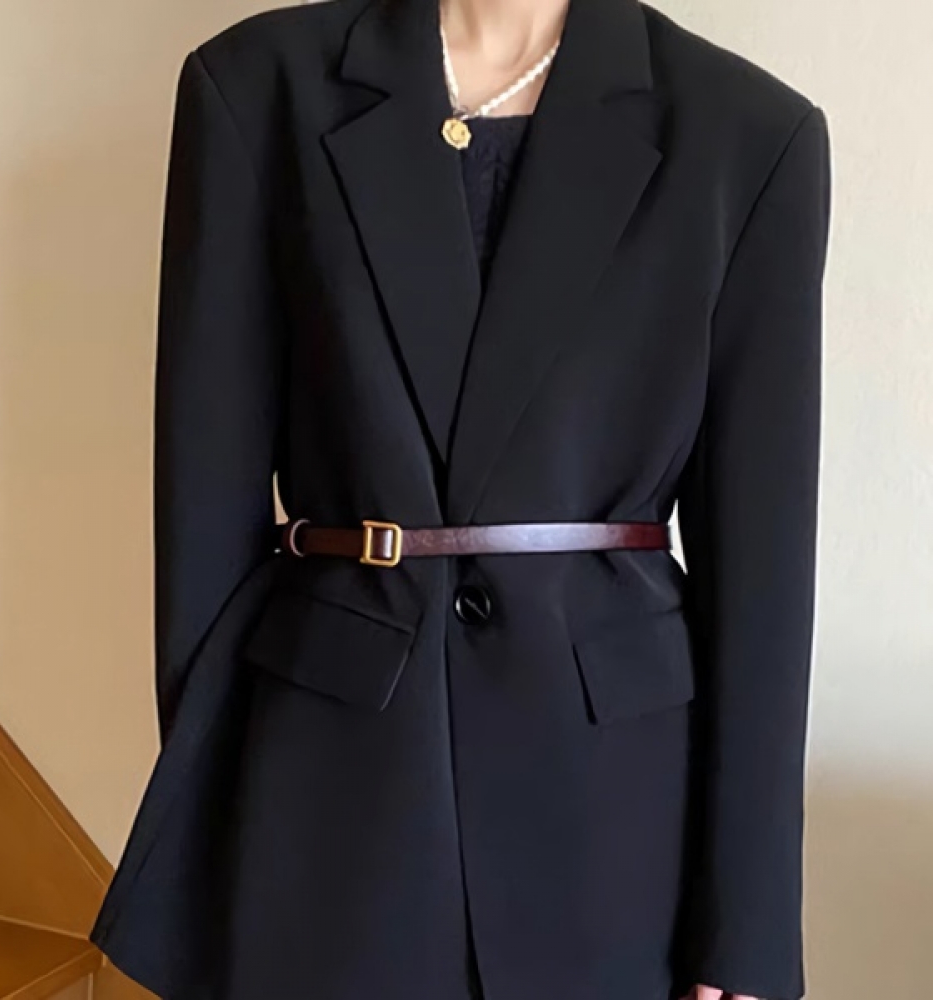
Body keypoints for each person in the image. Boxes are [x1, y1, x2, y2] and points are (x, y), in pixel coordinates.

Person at [89, 0, 833, 998]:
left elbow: (764, 574)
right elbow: (202, 504)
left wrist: (747, 927)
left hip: (614, 814)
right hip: (325, 783)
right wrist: (204, 811)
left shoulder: (747, 134)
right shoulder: (256, 89)